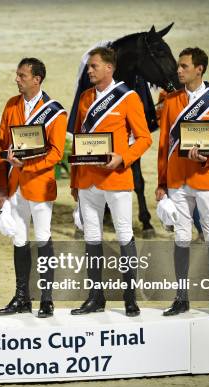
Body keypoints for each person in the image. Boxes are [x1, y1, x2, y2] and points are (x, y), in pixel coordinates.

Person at [69, 47, 152, 317]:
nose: (89, 71)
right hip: (87, 181)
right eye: (89, 67)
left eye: (94, 66)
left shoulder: (128, 98)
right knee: (92, 238)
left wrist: (123, 158)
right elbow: (79, 141)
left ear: (109, 68)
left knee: (125, 235)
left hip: (117, 179)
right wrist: (74, 181)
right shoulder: (84, 98)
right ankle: (96, 297)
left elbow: (144, 138)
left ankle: (130, 298)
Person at [156, 47, 209, 317]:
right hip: (177, 180)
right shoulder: (172, 101)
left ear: (199, 69)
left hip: (207, 179)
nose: (178, 70)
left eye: (184, 66)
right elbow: (164, 145)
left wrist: (206, 158)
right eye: (179, 66)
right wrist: (161, 182)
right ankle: (181, 298)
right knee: (180, 237)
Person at [0, 57, 67, 318]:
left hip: (39, 185)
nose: (17, 79)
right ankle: (22, 297)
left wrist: (27, 167)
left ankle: (46, 299)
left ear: (36, 79)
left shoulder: (55, 111)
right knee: (19, 240)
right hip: (14, 187)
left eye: (22, 75)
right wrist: (1, 186)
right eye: (17, 74)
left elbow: (57, 152)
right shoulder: (11, 105)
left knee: (44, 239)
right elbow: (2, 147)